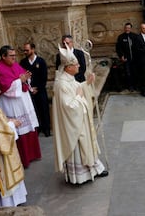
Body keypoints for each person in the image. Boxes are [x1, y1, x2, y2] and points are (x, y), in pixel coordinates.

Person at [52, 44, 108, 184]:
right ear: (68, 67)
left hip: (80, 120)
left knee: (87, 145)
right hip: (73, 124)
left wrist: (87, 83)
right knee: (79, 147)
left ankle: (93, 169)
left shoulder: (70, 79)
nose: (78, 66)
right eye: (76, 64)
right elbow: (68, 107)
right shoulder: (61, 84)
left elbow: (78, 88)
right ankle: (79, 176)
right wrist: (78, 97)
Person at [0, 45, 41, 168]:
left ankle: (32, 154)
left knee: (28, 127)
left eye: (14, 55)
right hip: (10, 103)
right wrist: (20, 80)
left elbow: (21, 76)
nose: (14, 58)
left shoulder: (15, 64)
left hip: (22, 101)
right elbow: (5, 87)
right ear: (3, 56)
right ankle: (23, 158)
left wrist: (26, 78)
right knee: (19, 129)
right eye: (11, 56)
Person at [20, 43, 51, 137]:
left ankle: (47, 129)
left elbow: (44, 77)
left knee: (44, 110)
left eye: (27, 50)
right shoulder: (23, 62)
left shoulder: (41, 61)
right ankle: (37, 129)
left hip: (40, 91)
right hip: (29, 91)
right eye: (24, 50)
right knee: (33, 110)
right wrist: (29, 88)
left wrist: (38, 88)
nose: (25, 52)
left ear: (33, 49)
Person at [116, 23, 136, 91]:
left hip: (134, 58)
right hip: (126, 59)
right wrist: (121, 56)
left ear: (131, 28)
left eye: (129, 28)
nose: (127, 29)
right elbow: (118, 48)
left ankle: (135, 85)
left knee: (134, 72)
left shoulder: (134, 36)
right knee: (128, 73)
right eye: (126, 28)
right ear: (124, 28)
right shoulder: (121, 37)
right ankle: (130, 86)